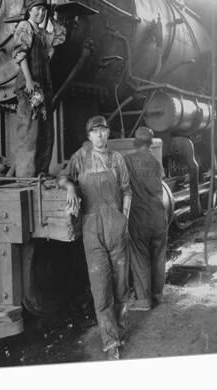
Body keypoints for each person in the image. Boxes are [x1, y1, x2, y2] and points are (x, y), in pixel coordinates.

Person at [58, 116, 132, 360]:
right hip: (92, 230)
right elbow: (63, 177)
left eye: (103, 131)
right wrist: (70, 187)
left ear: (108, 134)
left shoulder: (116, 159)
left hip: (116, 228)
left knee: (121, 287)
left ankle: (118, 329)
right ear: (89, 136)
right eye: (95, 132)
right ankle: (111, 343)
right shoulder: (80, 157)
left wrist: (124, 220)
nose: (100, 136)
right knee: (101, 289)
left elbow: (127, 190)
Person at [13, 0, 65, 177]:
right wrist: (28, 80)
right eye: (37, 9)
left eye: (43, 10)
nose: (40, 13)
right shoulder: (24, 27)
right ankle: (26, 176)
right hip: (30, 86)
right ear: (29, 11)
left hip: (44, 86)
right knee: (29, 130)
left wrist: (52, 17)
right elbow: (20, 54)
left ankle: (41, 172)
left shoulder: (42, 33)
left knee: (46, 131)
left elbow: (60, 37)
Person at [124, 127, 168, 311]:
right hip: (159, 216)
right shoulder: (156, 162)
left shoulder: (127, 160)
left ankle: (143, 301)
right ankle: (158, 296)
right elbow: (162, 181)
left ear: (135, 142)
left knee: (140, 257)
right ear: (150, 143)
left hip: (139, 217)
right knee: (158, 257)